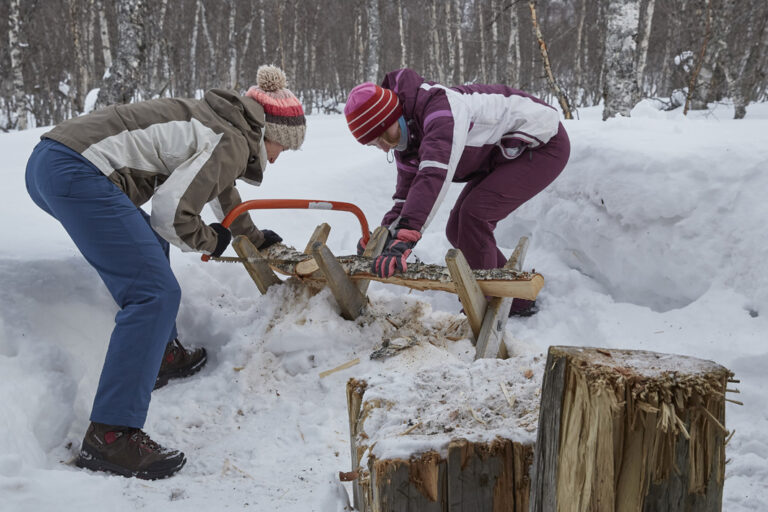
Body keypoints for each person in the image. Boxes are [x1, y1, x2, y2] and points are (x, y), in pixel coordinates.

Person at [25, 65, 306, 479]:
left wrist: (252, 235)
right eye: (287, 148)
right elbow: (172, 217)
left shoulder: (223, 124)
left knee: (148, 250)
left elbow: (218, 187)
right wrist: (212, 241)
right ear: (273, 135)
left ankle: (160, 355)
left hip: (51, 161)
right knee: (155, 293)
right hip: (74, 171)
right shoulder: (229, 139)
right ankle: (111, 435)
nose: (283, 157)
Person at [345, 68, 570, 317]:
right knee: (457, 229)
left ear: (391, 117)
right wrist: (384, 235)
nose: (383, 147)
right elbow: (406, 197)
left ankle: (481, 307)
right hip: (501, 153)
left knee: (475, 217)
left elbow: (433, 175)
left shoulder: (440, 112)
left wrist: (406, 237)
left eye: (382, 137)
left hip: (542, 144)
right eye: (373, 144)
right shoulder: (406, 141)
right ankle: (516, 299)